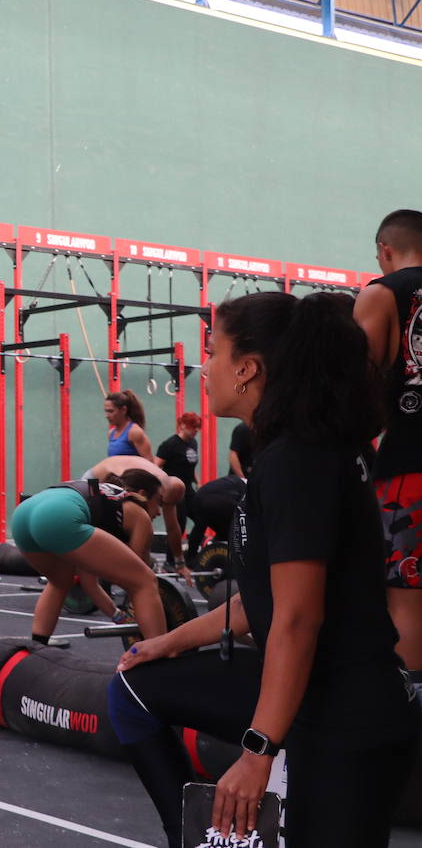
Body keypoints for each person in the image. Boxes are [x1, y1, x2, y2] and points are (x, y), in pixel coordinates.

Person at [108, 292, 418, 848]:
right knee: (133, 686)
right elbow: (263, 601)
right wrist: (167, 643)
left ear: (248, 369)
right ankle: (204, 836)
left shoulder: (299, 460)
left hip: (347, 714)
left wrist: (256, 750)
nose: (206, 366)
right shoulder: (281, 453)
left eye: (214, 351)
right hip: (313, 697)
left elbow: (297, 619)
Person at [356, 208, 422, 694]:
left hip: (411, 466)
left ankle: (411, 736)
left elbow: (358, 392)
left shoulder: (382, 293)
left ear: (384, 250)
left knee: (407, 597)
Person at [11, 469, 168, 645]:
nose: (160, 512)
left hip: (23, 514)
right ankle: (160, 653)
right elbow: (138, 582)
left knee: (60, 582)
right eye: (159, 503)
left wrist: (119, 617)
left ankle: (38, 644)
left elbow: (89, 584)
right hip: (58, 515)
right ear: (143, 494)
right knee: (145, 582)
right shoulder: (140, 515)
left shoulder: (103, 500)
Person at [153, 411, 200, 566]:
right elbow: (156, 466)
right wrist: (161, 490)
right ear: (182, 426)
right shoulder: (169, 445)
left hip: (189, 490)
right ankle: (171, 561)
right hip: (174, 491)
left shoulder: (193, 444)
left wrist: (197, 482)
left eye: (197, 428)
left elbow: (190, 467)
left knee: (202, 518)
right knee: (178, 525)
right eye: (193, 427)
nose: (195, 431)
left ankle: (192, 556)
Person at [185, 474, 245, 548]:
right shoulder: (250, 489)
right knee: (234, 530)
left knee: (201, 526)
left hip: (199, 497)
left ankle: (191, 556)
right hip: (217, 500)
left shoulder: (237, 482)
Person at [104, 389, 152, 460]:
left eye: (111, 411)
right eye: (106, 411)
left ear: (123, 410)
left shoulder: (134, 432)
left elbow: (150, 464)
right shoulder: (111, 434)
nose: (107, 415)